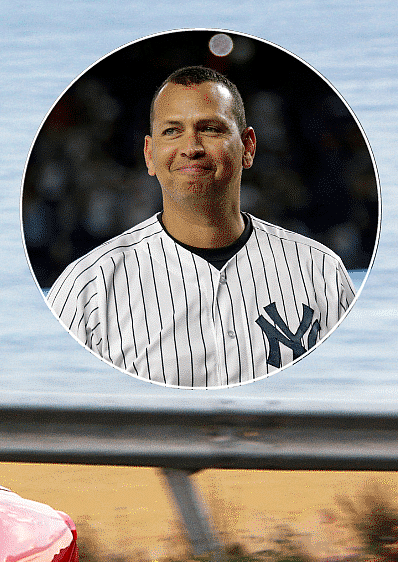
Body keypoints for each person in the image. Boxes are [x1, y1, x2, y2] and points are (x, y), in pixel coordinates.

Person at [46, 66, 356, 388]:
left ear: (248, 146)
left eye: (210, 128)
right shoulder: (89, 287)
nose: (191, 147)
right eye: (172, 131)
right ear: (150, 155)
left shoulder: (321, 271)